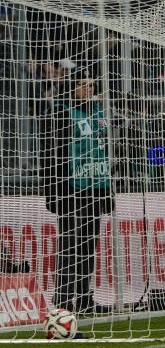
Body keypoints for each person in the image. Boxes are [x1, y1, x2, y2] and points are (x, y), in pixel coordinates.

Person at [40, 69, 113, 315]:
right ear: (72, 87)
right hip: (70, 189)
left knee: (88, 245)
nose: (88, 89)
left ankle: (84, 298)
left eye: (92, 85)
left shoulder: (100, 113)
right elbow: (49, 154)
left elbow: (105, 151)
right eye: (83, 84)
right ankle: (63, 299)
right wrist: (52, 190)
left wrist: (108, 192)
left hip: (96, 187)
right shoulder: (60, 112)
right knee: (70, 244)